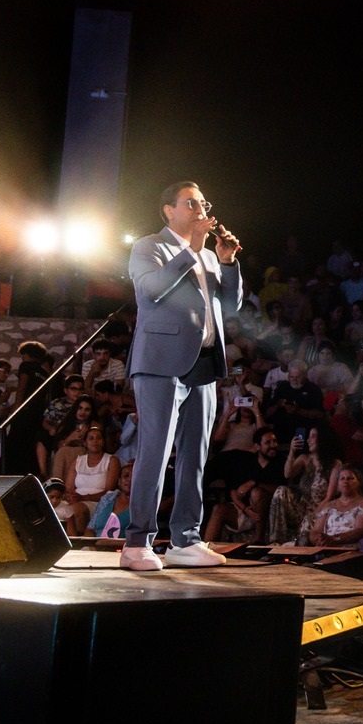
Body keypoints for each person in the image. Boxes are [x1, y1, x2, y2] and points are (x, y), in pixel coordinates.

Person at [119, 181, 243, 572]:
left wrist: (227, 262)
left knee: (195, 455)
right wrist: (192, 249)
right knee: (155, 451)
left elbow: (231, 306)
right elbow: (151, 291)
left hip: (203, 361)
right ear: (168, 210)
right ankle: (137, 542)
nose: (200, 208)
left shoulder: (206, 255)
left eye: (203, 202)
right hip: (160, 361)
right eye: (190, 203)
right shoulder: (149, 247)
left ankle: (185, 540)